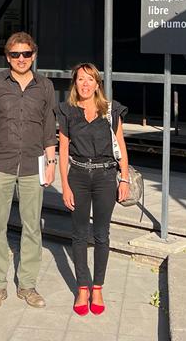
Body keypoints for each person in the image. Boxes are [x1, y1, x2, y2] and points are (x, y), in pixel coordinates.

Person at [0, 32, 57, 310]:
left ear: (33, 55)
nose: (21, 59)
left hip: (33, 165)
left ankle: (28, 285)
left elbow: (49, 127)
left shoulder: (45, 86)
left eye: (26, 54)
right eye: (15, 54)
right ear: (7, 57)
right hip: (0, 163)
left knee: (32, 226)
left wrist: (51, 163)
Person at [57, 63, 130, 317]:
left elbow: (120, 145)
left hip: (105, 177)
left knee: (101, 234)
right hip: (77, 176)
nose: (85, 84)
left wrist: (124, 179)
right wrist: (65, 185)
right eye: (80, 79)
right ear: (74, 83)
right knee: (79, 234)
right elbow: (63, 151)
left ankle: (97, 287)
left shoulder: (111, 110)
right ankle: (82, 288)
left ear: (97, 84)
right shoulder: (67, 111)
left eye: (90, 79)